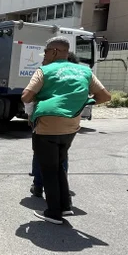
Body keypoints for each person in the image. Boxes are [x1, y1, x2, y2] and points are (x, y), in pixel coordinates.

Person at [21, 36, 111, 224]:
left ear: (54, 51)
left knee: (49, 169)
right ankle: (66, 206)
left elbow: (26, 97)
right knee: (59, 165)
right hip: (71, 126)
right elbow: (104, 96)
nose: (44, 56)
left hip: (47, 125)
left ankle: (53, 213)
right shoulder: (85, 71)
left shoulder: (44, 71)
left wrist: (45, 98)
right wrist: (81, 102)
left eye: (45, 52)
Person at [29, 52, 78, 198]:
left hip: (46, 121)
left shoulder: (47, 73)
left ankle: (39, 185)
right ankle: (62, 188)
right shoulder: (78, 76)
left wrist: (30, 117)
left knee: (40, 153)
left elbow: (29, 97)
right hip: (70, 122)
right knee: (62, 155)